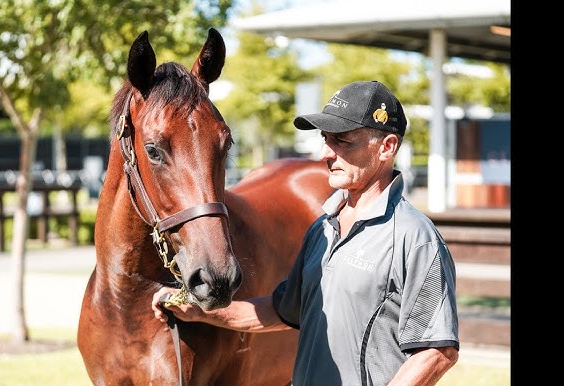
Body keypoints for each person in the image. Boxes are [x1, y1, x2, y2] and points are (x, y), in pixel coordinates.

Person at [152, 80, 460, 386]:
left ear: (387, 147)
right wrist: (201, 312)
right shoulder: (323, 228)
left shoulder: (414, 237)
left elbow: (437, 350)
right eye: (326, 139)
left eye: (343, 141)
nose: (327, 153)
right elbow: (280, 310)